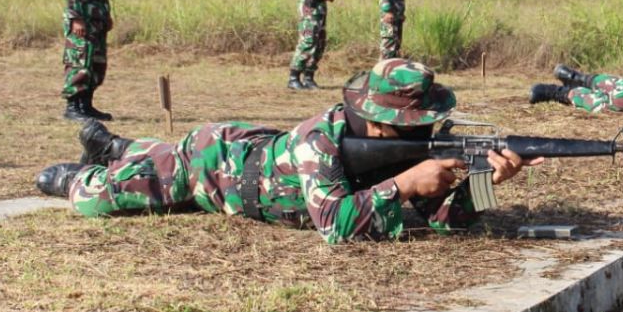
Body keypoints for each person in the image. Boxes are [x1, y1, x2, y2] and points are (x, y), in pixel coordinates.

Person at [34, 60, 538, 242]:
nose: (426, 131)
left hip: (252, 145)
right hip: (213, 165)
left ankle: (117, 145)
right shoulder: (319, 140)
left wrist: (485, 187)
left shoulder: (396, 148)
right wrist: (405, 184)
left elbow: (446, 221)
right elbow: (337, 226)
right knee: (102, 198)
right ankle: (77, 173)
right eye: (415, 123)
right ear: (381, 124)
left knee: (150, 154)